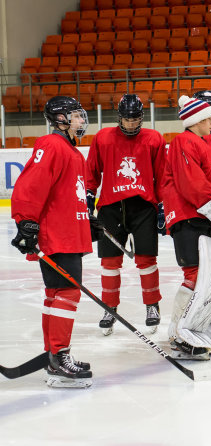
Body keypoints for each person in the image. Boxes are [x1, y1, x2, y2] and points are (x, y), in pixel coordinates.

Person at [11, 96, 98, 388]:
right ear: (60, 119)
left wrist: (88, 219)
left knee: (56, 294)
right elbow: (31, 184)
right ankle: (60, 356)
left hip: (69, 233)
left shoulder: (73, 152)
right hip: (57, 236)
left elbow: (71, 194)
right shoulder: (51, 146)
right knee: (67, 293)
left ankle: (54, 354)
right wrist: (26, 223)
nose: (80, 120)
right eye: (75, 115)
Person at [86, 94, 166, 336]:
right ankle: (109, 307)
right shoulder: (102, 138)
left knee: (146, 260)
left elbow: (162, 176)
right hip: (110, 207)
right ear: (119, 117)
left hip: (143, 208)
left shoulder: (154, 139)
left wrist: (163, 206)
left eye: (135, 119)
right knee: (110, 263)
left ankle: (152, 305)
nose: (131, 124)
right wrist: (88, 201)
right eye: (127, 119)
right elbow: (91, 171)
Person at [161, 96, 211, 360]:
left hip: (207, 215)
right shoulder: (183, 142)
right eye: (210, 116)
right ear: (197, 120)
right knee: (195, 274)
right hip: (188, 215)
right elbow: (192, 185)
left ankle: (198, 321)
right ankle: (179, 330)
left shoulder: (208, 141)